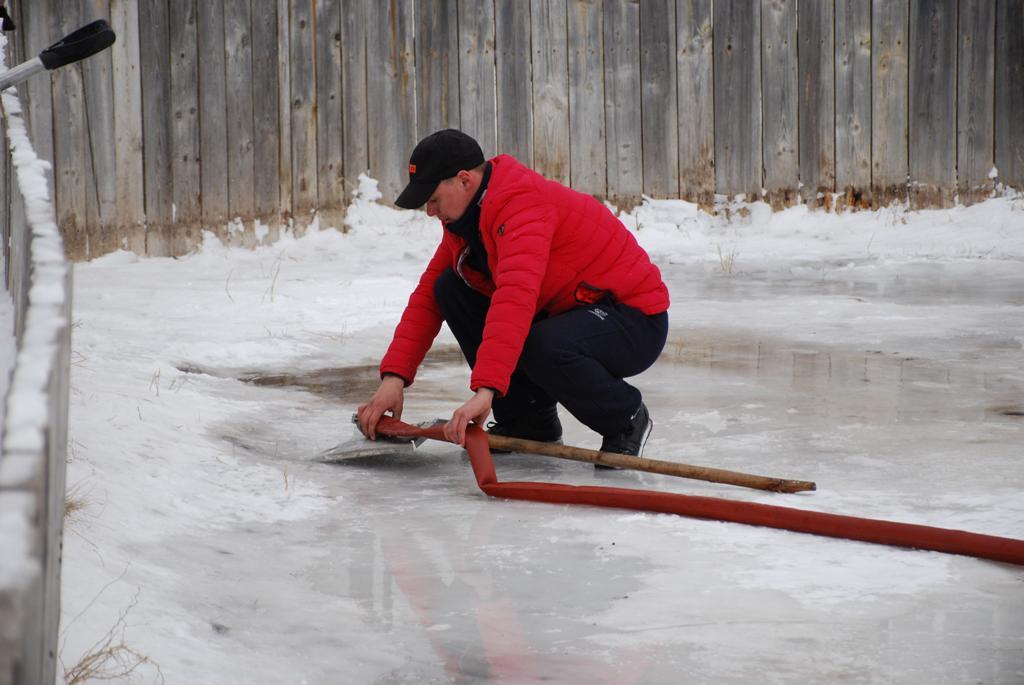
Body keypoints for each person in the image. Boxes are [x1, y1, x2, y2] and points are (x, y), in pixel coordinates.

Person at [356, 129, 670, 458]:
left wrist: (487, 389)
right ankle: (528, 421)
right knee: (449, 287)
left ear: (464, 180)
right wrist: (394, 378)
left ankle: (626, 418)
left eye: (433, 199)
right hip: (566, 311)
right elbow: (427, 299)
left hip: (631, 319)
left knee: (543, 343)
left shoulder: (522, 207)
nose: (430, 211)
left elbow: (515, 299)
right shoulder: (466, 220)